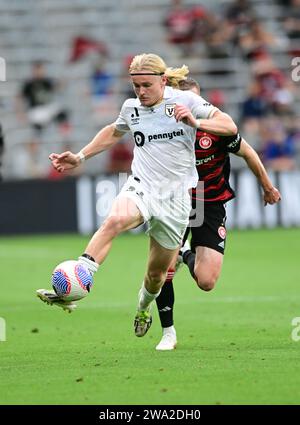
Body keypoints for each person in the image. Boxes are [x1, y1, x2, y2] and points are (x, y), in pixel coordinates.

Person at [37, 54, 237, 338]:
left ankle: (143, 307)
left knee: (156, 277)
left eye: (146, 85)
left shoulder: (185, 102)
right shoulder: (131, 107)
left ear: (163, 81)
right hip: (142, 185)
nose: (141, 92)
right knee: (115, 220)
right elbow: (114, 131)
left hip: (176, 199)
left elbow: (229, 126)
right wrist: (80, 156)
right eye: (136, 86)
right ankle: (79, 279)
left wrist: (196, 122)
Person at [155, 78, 281, 350]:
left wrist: (267, 187)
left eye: (200, 103)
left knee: (207, 281)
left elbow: (248, 153)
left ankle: (184, 254)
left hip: (209, 203)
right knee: (163, 270)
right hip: (175, 202)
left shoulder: (216, 129)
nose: (195, 107)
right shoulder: (162, 130)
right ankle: (168, 333)